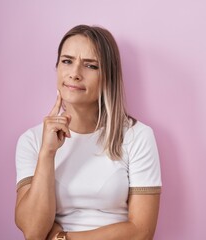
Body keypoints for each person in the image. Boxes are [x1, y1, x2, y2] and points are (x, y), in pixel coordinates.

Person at [15, 24, 162, 240]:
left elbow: (141, 232)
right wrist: (47, 153)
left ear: (108, 76)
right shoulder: (32, 141)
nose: (74, 74)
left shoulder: (137, 136)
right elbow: (33, 231)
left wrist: (62, 238)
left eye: (90, 66)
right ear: (57, 68)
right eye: (67, 61)